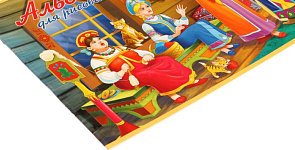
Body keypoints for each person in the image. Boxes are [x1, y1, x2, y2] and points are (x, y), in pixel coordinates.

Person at [77, 30, 207, 104]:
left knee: (166, 60)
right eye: (94, 42)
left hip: (142, 65)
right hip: (127, 78)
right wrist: (120, 72)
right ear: (91, 48)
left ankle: (190, 81)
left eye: (99, 38)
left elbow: (137, 52)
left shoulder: (116, 48)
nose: (100, 42)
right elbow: (104, 77)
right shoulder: (97, 60)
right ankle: (173, 94)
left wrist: (146, 55)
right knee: (151, 73)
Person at [126, 0, 240, 55]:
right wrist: (175, 34)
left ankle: (224, 44)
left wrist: (183, 16)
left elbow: (177, 23)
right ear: (138, 13)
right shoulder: (146, 25)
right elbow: (156, 38)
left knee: (202, 22)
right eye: (142, 9)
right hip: (176, 42)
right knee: (195, 27)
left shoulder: (161, 16)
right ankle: (222, 48)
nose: (147, 9)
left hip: (181, 35)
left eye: (147, 6)